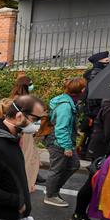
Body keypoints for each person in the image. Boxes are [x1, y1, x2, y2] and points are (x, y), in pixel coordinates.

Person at [43, 77, 86, 207]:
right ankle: (50, 195)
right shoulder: (66, 106)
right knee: (57, 169)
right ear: (79, 91)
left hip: (61, 140)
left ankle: (53, 190)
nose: (85, 90)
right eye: (83, 88)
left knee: (73, 165)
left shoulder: (69, 101)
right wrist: (66, 146)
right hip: (58, 142)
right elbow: (60, 128)